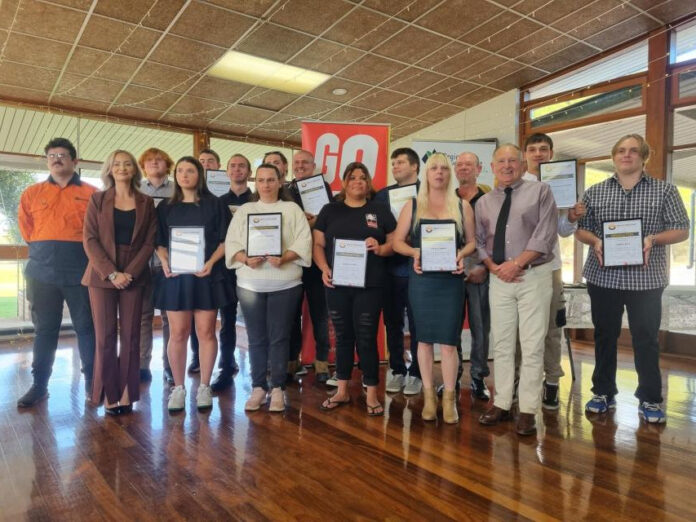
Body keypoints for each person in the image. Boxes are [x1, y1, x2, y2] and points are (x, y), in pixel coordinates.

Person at [576, 134, 689, 424]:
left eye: (634, 151)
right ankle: (603, 392)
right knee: (604, 336)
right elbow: (581, 229)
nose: (627, 155)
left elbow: (682, 229)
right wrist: (596, 241)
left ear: (644, 157)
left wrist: (653, 239)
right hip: (603, 278)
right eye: (621, 151)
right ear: (614, 156)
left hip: (646, 280)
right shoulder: (594, 192)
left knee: (646, 339)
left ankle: (650, 398)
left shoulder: (665, 191)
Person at [476, 144, 558, 436]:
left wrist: (517, 264)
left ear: (522, 164)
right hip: (499, 277)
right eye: (501, 161)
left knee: (532, 344)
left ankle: (527, 410)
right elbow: (480, 241)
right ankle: (501, 402)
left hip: (532, 276)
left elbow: (545, 235)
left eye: (513, 160)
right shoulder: (484, 202)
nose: (507, 166)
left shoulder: (541, 192)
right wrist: (492, 266)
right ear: (492, 167)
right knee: (502, 344)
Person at [393, 153, 476, 424]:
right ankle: (429, 397)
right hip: (423, 281)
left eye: (443, 168)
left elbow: (472, 242)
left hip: (451, 281)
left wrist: (461, 254)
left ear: (449, 174)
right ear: (426, 174)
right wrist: (415, 252)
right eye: (433, 168)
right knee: (424, 340)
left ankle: (449, 399)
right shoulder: (413, 205)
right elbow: (397, 242)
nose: (439, 173)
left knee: (449, 343)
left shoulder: (463, 206)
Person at [225, 164, 311, 413]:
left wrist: (285, 257)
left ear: (280, 181)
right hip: (250, 284)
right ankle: (258, 387)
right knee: (256, 337)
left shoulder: (291, 209)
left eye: (271, 180)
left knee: (279, 337)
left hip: (285, 283)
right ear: (256, 182)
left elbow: (304, 241)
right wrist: (245, 258)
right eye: (261, 180)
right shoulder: (246, 211)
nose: (266, 185)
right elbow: (232, 242)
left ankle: (278, 388)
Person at [17, 137, 96, 407]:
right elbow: (27, 230)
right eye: (52, 155)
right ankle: (39, 386)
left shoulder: (93, 193)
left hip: (80, 271)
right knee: (45, 330)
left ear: (75, 161)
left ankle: (92, 383)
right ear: (47, 161)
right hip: (42, 273)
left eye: (62, 155)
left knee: (86, 328)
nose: (56, 159)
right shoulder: (32, 193)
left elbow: (98, 232)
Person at [313, 162, 396, 416]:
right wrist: (324, 268)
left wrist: (380, 248)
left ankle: (371, 393)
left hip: (370, 285)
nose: (358, 181)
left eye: (362, 177)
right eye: (352, 177)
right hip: (337, 284)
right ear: (344, 182)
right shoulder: (330, 210)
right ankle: (342, 391)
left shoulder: (380, 210)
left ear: (368, 182)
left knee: (367, 337)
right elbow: (318, 244)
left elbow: (394, 242)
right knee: (343, 336)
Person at [155, 157, 232, 412]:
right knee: (178, 333)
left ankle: (204, 386)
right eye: (180, 171)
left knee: (206, 332)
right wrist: (164, 261)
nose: (184, 175)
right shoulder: (165, 207)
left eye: (190, 170)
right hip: (176, 278)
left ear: (199, 174)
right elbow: (159, 242)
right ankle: (178, 388)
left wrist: (211, 262)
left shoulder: (215, 204)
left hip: (206, 275)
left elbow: (225, 240)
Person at [82, 150, 156, 415]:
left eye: (127, 164)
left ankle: (126, 393)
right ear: (109, 169)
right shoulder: (98, 199)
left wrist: (130, 273)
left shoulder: (147, 202)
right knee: (105, 337)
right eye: (117, 164)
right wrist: (112, 273)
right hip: (102, 273)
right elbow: (90, 239)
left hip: (134, 273)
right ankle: (108, 395)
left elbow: (149, 242)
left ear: (134, 169)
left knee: (131, 336)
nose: (122, 168)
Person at [521, 133, 586, 410]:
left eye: (543, 149)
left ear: (551, 153)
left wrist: (571, 217)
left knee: (551, 328)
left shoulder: (561, 185)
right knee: (519, 329)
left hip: (551, 268)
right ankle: (521, 380)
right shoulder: (516, 185)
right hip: (520, 268)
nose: (538, 154)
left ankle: (551, 382)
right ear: (525, 154)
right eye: (533, 149)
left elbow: (563, 231)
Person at [374, 147, 422, 396]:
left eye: (401, 162)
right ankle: (397, 369)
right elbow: (374, 228)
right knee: (392, 322)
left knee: (417, 324)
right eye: (393, 163)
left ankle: (417, 373)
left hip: (419, 269)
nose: (395, 167)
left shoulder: (428, 192)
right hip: (390, 270)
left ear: (415, 166)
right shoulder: (382, 196)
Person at [287, 149, 333, 383]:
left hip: (316, 262)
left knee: (320, 314)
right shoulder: (284, 190)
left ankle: (322, 361)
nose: (300, 166)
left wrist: (316, 221)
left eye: (305, 162)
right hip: (292, 261)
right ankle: (291, 361)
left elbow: (329, 221)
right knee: (292, 314)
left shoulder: (324, 188)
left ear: (314, 166)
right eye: (296, 162)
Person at [211, 153, 253, 392]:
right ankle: (226, 367)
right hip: (226, 269)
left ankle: (261, 368)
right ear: (226, 172)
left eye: (242, 166)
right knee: (227, 321)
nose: (237, 170)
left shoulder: (258, 200)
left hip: (254, 266)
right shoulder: (218, 202)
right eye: (233, 166)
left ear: (249, 172)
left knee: (256, 321)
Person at [452, 151, 492, 401]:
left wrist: (485, 267)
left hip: (479, 271)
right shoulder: (447, 199)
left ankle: (478, 376)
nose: (464, 168)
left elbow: (497, 236)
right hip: (451, 272)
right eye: (459, 165)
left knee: (480, 327)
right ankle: (452, 376)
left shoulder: (489, 200)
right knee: (451, 327)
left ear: (479, 169)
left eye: (469, 164)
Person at [138, 147, 175, 385]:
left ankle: (171, 365)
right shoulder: (135, 190)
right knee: (143, 316)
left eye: (159, 159)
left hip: (170, 262)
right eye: (149, 160)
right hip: (141, 263)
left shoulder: (177, 191)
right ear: (143, 166)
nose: (154, 163)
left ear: (167, 164)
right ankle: (142, 365)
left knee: (170, 317)